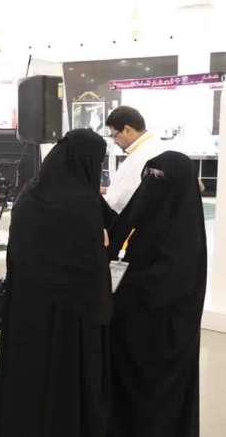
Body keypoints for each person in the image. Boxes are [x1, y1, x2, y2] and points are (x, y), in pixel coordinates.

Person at [0, 129, 113, 437]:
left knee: (27, 382)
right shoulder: (83, 203)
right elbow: (92, 271)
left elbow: (16, 253)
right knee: (63, 386)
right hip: (70, 321)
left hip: (26, 310)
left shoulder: (30, 194)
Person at [107, 152, 206, 437]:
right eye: (148, 176)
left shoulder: (186, 237)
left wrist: (121, 289)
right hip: (132, 340)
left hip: (165, 341)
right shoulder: (148, 218)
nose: (151, 184)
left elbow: (167, 286)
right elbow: (118, 234)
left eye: (158, 178)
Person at [104, 106, 164, 213]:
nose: (115, 142)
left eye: (115, 136)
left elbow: (121, 200)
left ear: (127, 130)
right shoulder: (151, 146)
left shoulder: (143, 154)